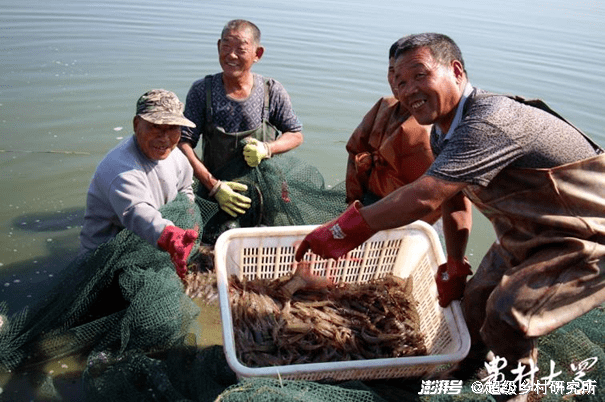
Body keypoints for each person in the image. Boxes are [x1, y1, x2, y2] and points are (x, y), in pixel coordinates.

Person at [295, 33, 605, 401]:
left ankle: (519, 395)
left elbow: (425, 197)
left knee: (509, 317)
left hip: (588, 240)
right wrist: (455, 264)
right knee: (473, 304)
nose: (408, 90)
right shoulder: (445, 133)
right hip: (529, 234)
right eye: (398, 81)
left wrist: (340, 233)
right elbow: (454, 200)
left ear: (456, 71)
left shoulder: (489, 122)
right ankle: (469, 367)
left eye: (419, 75)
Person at [179, 19, 303, 218]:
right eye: (226, 46)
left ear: (257, 54)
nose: (231, 55)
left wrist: (268, 148)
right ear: (218, 46)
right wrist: (214, 187)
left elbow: (295, 134)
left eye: (241, 49)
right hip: (217, 193)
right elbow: (183, 144)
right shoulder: (202, 91)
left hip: (266, 191)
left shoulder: (271, 91)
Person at [80, 89, 199, 279]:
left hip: (152, 241)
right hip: (108, 257)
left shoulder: (176, 156)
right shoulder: (119, 167)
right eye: (155, 127)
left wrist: (190, 218)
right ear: (137, 124)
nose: (164, 138)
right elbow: (136, 211)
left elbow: (185, 188)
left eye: (172, 127)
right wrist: (171, 237)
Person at [345, 39, 436, 222]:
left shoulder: (431, 128)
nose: (396, 80)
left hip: (413, 218)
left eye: (415, 75)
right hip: (369, 201)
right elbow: (354, 151)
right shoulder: (384, 106)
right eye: (392, 71)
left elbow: (434, 197)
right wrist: (353, 203)